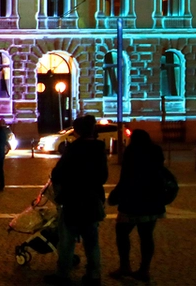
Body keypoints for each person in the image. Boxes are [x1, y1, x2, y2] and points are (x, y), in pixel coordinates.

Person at [45, 115, 109, 286]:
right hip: (92, 199)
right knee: (92, 241)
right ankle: (94, 275)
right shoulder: (99, 148)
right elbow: (103, 176)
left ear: (78, 131)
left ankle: (63, 274)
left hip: (73, 199)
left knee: (66, 240)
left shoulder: (74, 149)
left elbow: (58, 174)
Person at [107, 130, 167, 283]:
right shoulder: (156, 150)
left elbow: (126, 177)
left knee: (122, 232)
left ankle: (125, 266)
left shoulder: (131, 151)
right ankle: (144, 269)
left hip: (133, 200)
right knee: (147, 236)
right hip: (153, 199)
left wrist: (115, 196)